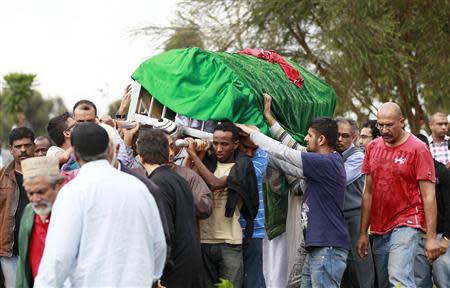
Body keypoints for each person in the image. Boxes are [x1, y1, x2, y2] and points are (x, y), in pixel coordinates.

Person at [34, 123, 166, 287]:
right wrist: (148, 275)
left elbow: (59, 258)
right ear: (111, 151)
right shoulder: (139, 189)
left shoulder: (73, 192)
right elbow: (159, 245)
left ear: (74, 154)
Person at [238, 117, 350, 288]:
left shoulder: (326, 162)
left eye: (309, 135)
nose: (305, 138)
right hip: (315, 244)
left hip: (327, 247)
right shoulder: (322, 164)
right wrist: (256, 151)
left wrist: (253, 135)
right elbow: (286, 165)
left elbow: (285, 152)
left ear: (321, 140)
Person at [357, 102, 441, 288]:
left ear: (401, 122)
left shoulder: (418, 149)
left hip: (408, 221)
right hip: (379, 225)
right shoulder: (372, 148)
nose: (384, 130)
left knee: (399, 277)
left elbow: (429, 196)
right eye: (380, 125)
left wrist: (431, 238)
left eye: (389, 125)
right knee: (385, 281)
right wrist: (363, 232)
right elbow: (368, 192)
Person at [186, 122, 259, 288]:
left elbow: (214, 183)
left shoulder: (242, 166)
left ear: (236, 144)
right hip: (203, 241)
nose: (219, 149)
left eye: (224, 144)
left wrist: (195, 156)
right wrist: (202, 154)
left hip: (229, 243)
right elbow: (189, 184)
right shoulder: (207, 163)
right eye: (216, 143)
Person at [136, 128, 206, 287]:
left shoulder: (157, 184)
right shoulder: (179, 179)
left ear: (141, 157)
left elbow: (164, 232)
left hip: (173, 271)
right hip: (189, 265)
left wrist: (160, 273)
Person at [335, 117, 375, 288]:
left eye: (345, 136)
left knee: (361, 264)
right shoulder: (331, 154)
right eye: (337, 135)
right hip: (336, 217)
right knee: (340, 266)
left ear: (355, 136)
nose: (340, 139)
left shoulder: (358, 156)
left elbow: (337, 180)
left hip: (355, 215)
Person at [15, 156, 63, 288]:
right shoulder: (29, 212)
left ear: (58, 185)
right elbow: (23, 263)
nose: (35, 199)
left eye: (41, 192)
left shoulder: (70, 213)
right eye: (30, 193)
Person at [0, 127, 35, 287]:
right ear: (11, 149)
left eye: (27, 145)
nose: (23, 150)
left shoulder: (44, 174)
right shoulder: (2, 177)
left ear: (33, 146)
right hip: (10, 251)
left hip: (37, 247)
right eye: (18, 147)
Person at [413, 134, 450, 288]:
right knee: (419, 282)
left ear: (426, 149)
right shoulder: (407, 173)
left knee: (444, 281)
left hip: (441, 236)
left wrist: (446, 239)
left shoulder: (442, 172)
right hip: (415, 236)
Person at [238, 133, 268, 288]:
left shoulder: (262, 156)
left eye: (253, 148)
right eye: (245, 147)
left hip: (253, 230)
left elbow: (241, 176)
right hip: (229, 232)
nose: (250, 153)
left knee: (253, 281)